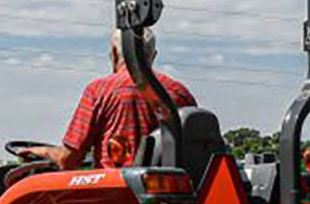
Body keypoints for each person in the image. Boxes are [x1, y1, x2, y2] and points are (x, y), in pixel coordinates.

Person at [18, 27, 196, 171]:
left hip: (115, 198)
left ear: (114, 53)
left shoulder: (99, 91)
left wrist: (45, 152)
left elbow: (68, 161)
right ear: (153, 55)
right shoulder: (179, 93)